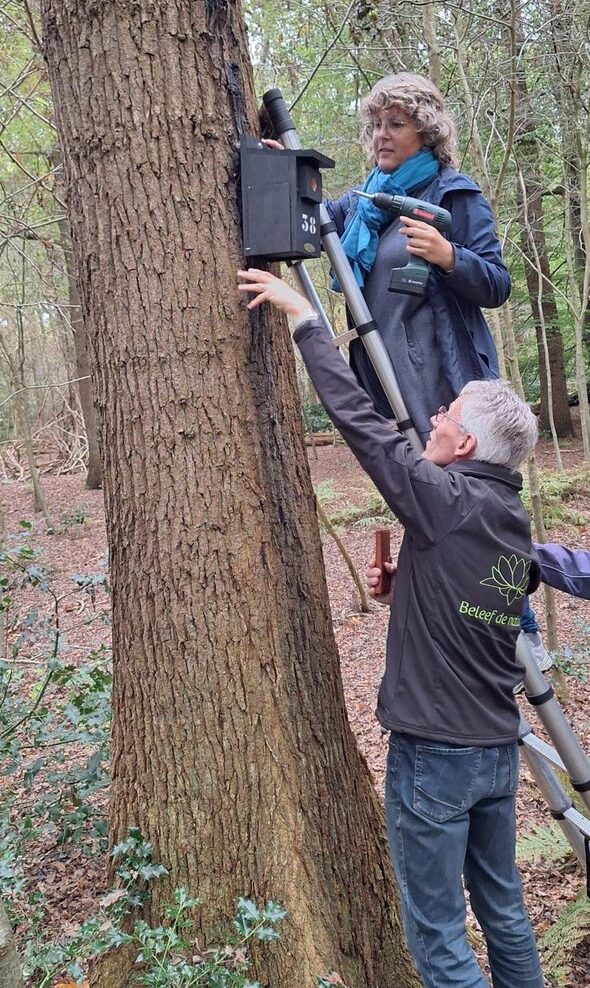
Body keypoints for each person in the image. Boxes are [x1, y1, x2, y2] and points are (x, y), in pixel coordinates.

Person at [236, 267, 545, 988]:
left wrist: (305, 321)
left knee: (437, 937)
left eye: (449, 414)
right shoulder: (508, 518)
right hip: (496, 752)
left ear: (464, 447)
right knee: (503, 914)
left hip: (436, 756)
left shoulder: (445, 497)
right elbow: (489, 593)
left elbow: (367, 432)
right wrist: (411, 583)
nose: (437, 414)